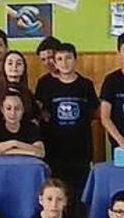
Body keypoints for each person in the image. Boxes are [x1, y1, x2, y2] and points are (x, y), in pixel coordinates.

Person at [35, 42, 99, 197]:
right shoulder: (46, 84)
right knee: (57, 191)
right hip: (55, 150)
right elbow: (40, 112)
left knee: (80, 193)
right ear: (55, 62)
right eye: (60, 59)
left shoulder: (86, 85)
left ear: (75, 59)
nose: (64, 63)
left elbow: (95, 112)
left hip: (80, 150)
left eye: (68, 58)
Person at [0, 91, 45, 158]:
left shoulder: (31, 127)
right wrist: (28, 151)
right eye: (8, 108)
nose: (13, 113)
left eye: (17, 109)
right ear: (2, 110)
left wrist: (14, 143)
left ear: (23, 110)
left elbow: (40, 153)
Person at [0, 50, 37, 125]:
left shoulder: (28, 94)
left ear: (24, 68)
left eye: (19, 63)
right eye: (10, 63)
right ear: (4, 67)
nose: (14, 67)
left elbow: (33, 117)